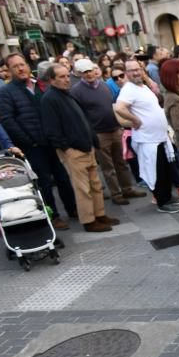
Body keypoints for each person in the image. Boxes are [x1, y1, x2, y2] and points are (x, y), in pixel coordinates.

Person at [0, 52, 77, 229]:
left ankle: (73, 210)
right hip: (32, 146)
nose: (20, 68)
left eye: (22, 64)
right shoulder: (5, 92)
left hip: (51, 141)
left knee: (63, 177)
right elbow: (8, 120)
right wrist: (28, 140)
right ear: (9, 71)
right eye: (15, 66)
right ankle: (53, 215)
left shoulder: (40, 85)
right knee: (44, 183)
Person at [40, 64, 118, 233]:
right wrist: (67, 148)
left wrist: (92, 141)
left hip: (86, 147)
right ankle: (89, 221)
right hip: (73, 151)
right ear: (51, 80)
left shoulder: (67, 95)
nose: (66, 79)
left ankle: (99, 215)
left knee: (95, 185)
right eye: (61, 77)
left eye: (67, 76)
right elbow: (51, 130)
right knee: (83, 189)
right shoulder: (49, 99)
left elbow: (82, 119)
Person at [70, 59, 146, 205]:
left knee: (121, 162)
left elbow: (113, 104)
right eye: (85, 72)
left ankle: (127, 188)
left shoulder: (104, 85)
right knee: (107, 166)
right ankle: (116, 193)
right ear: (80, 74)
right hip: (99, 133)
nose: (89, 74)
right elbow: (78, 115)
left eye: (90, 70)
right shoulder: (76, 91)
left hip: (115, 129)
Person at [114, 59, 179, 214]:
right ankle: (162, 202)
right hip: (147, 139)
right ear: (126, 73)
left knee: (164, 170)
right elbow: (119, 108)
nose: (136, 72)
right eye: (131, 70)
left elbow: (156, 94)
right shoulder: (128, 89)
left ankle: (167, 197)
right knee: (156, 171)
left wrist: (146, 78)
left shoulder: (142, 86)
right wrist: (135, 120)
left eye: (138, 69)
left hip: (158, 137)